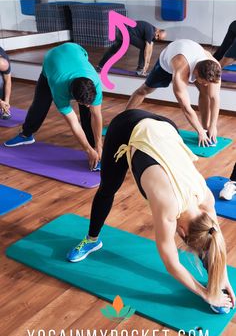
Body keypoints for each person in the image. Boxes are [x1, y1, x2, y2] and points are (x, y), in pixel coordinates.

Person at [67, 109, 235, 311]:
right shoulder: (168, 208)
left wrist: (221, 277)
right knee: (107, 188)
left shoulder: (206, 199)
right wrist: (205, 294)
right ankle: (91, 240)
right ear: (181, 232)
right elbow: (171, 264)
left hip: (166, 126)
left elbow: (213, 238)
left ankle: (216, 280)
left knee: (204, 239)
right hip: (127, 126)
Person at [4, 43, 103, 169]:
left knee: (89, 114)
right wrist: (88, 150)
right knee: (40, 104)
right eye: (85, 103)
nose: (89, 105)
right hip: (52, 62)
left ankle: (96, 152)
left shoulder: (95, 83)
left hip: (75, 50)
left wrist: (99, 145)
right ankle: (26, 134)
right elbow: (74, 124)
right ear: (71, 96)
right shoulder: (59, 89)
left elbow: (97, 115)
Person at [126, 39, 221, 147]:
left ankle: (206, 128)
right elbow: (186, 108)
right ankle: (123, 119)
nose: (205, 85)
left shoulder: (214, 67)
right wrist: (199, 131)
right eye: (203, 82)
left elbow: (214, 98)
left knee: (206, 93)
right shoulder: (180, 73)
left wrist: (213, 126)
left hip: (188, 50)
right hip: (167, 62)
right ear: (196, 73)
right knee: (143, 90)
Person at [97, 21, 166, 76]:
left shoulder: (153, 34)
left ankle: (100, 65)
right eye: (157, 35)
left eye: (158, 38)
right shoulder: (150, 31)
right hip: (127, 32)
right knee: (144, 47)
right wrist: (145, 65)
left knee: (114, 49)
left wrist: (148, 63)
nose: (156, 37)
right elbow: (147, 49)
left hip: (123, 30)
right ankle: (140, 70)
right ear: (158, 30)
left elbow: (150, 49)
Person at [0, 47, 12, 119]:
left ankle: (5, 108)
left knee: (1, 81)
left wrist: (6, 101)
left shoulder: (5, 59)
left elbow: (8, 81)